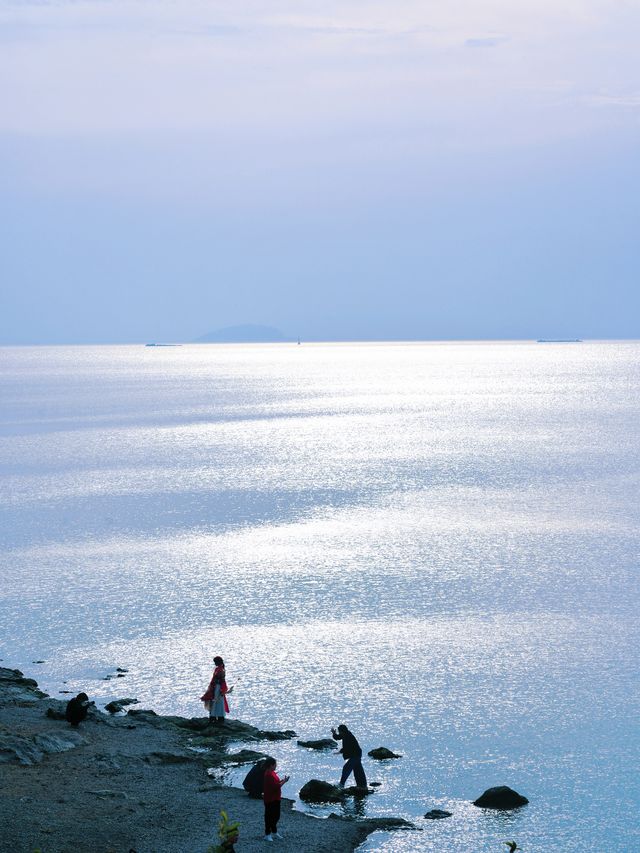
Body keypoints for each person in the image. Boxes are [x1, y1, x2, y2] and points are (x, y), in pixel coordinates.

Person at [262, 757, 289, 842]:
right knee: (270, 817)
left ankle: (274, 831)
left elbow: (276, 783)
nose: (276, 766)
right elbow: (276, 786)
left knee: (276, 816)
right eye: (275, 765)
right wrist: (284, 782)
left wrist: (282, 780)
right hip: (270, 798)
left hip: (275, 797)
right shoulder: (268, 774)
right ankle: (267, 834)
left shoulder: (272, 772)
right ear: (271, 765)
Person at [200, 656, 229, 724]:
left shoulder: (220, 669)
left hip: (218, 688)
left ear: (217, 662)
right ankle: (218, 716)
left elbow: (220, 679)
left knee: (216, 701)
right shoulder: (220, 669)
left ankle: (214, 716)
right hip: (217, 687)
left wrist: (220, 689)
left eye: (215, 662)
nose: (214, 663)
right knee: (217, 701)